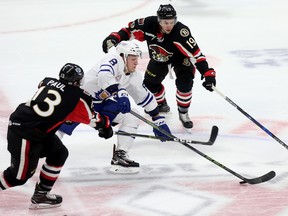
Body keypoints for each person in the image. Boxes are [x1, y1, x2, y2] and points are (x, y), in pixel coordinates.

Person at [0, 63, 113, 209]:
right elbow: (93, 119)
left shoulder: (46, 81)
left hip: (37, 130)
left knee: (59, 153)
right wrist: (106, 127)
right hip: (24, 132)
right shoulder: (77, 98)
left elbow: (48, 94)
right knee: (17, 177)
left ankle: (41, 194)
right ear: (78, 81)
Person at [57, 41, 171, 174]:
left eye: (137, 59)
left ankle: (120, 155)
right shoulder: (113, 60)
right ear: (123, 56)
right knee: (59, 128)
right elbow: (103, 77)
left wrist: (157, 119)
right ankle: (41, 150)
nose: (136, 62)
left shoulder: (133, 76)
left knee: (131, 116)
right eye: (133, 59)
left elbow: (144, 96)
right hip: (80, 101)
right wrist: (120, 92)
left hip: (99, 105)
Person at [102, 4, 217, 129]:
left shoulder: (181, 32)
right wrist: (115, 37)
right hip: (159, 57)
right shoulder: (147, 24)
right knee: (150, 85)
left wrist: (207, 73)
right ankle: (161, 104)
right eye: (165, 22)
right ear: (158, 20)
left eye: (172, 22)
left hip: (181, 59)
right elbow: (129, 31)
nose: (169, 26)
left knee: (185, 83)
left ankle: (183, 113)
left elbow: (196, 55)